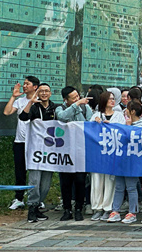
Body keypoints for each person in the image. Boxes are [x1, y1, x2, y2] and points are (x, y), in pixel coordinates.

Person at [18, 83, 56, 223]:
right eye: (41, 91)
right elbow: (23, 117)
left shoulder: (55, 108)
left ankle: (38, 205)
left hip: (51, 151)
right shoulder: (34, 107)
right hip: (36, 151)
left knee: (45, 184)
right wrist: (30, 102)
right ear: (37, 93)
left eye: (47, 91)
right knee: (34, 181)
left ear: (50, 93)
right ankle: (32, 208)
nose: (44, 93)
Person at [55, 85, 92, 221]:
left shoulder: (85, 108)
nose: (77, 99)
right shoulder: (60, 108)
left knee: (80, 180)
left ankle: (78, 208)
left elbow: (89, 124)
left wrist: (79, 107)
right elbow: (62, 117)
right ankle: (67, 209)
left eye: (78, 96)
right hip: (65, 151)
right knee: (65, 182)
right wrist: (76, 105)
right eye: (74, 98)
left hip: (81, 150)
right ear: (66, 100)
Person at [2, 76, 40, 210]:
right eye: (24, 84)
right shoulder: (20, 101)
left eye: (27, 84)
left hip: (36, 143)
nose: (24, 86)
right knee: (20, 171)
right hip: (20, 141)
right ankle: (19, 198)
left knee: (36, 171)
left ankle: (37, 199)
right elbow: (7, 112)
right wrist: (13, 96)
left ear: (35, 87)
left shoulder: (39, 101)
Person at [106, 101, 142, 224]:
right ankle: (115, 211)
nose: (126, 111)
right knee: (119, 186)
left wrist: (128, 127)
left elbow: (134, 139)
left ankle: (132, 212)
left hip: (133, 161)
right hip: (121, 159)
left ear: (132, 111)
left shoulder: (141, 125)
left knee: (131, 187)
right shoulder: (125, 122)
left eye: (128, 109)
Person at [90, 90, 125, 221]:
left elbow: (123, 131)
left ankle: (108, 208)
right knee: (97, 181)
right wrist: (95, 124)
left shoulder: (119, 116)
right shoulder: (95, 115)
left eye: (113, 98)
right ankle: (97, 208)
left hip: (112, 153)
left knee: (110, 181)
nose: (112, 101)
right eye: (109, 99)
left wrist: (112, 126)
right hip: (98, 154)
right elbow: (90, 132)